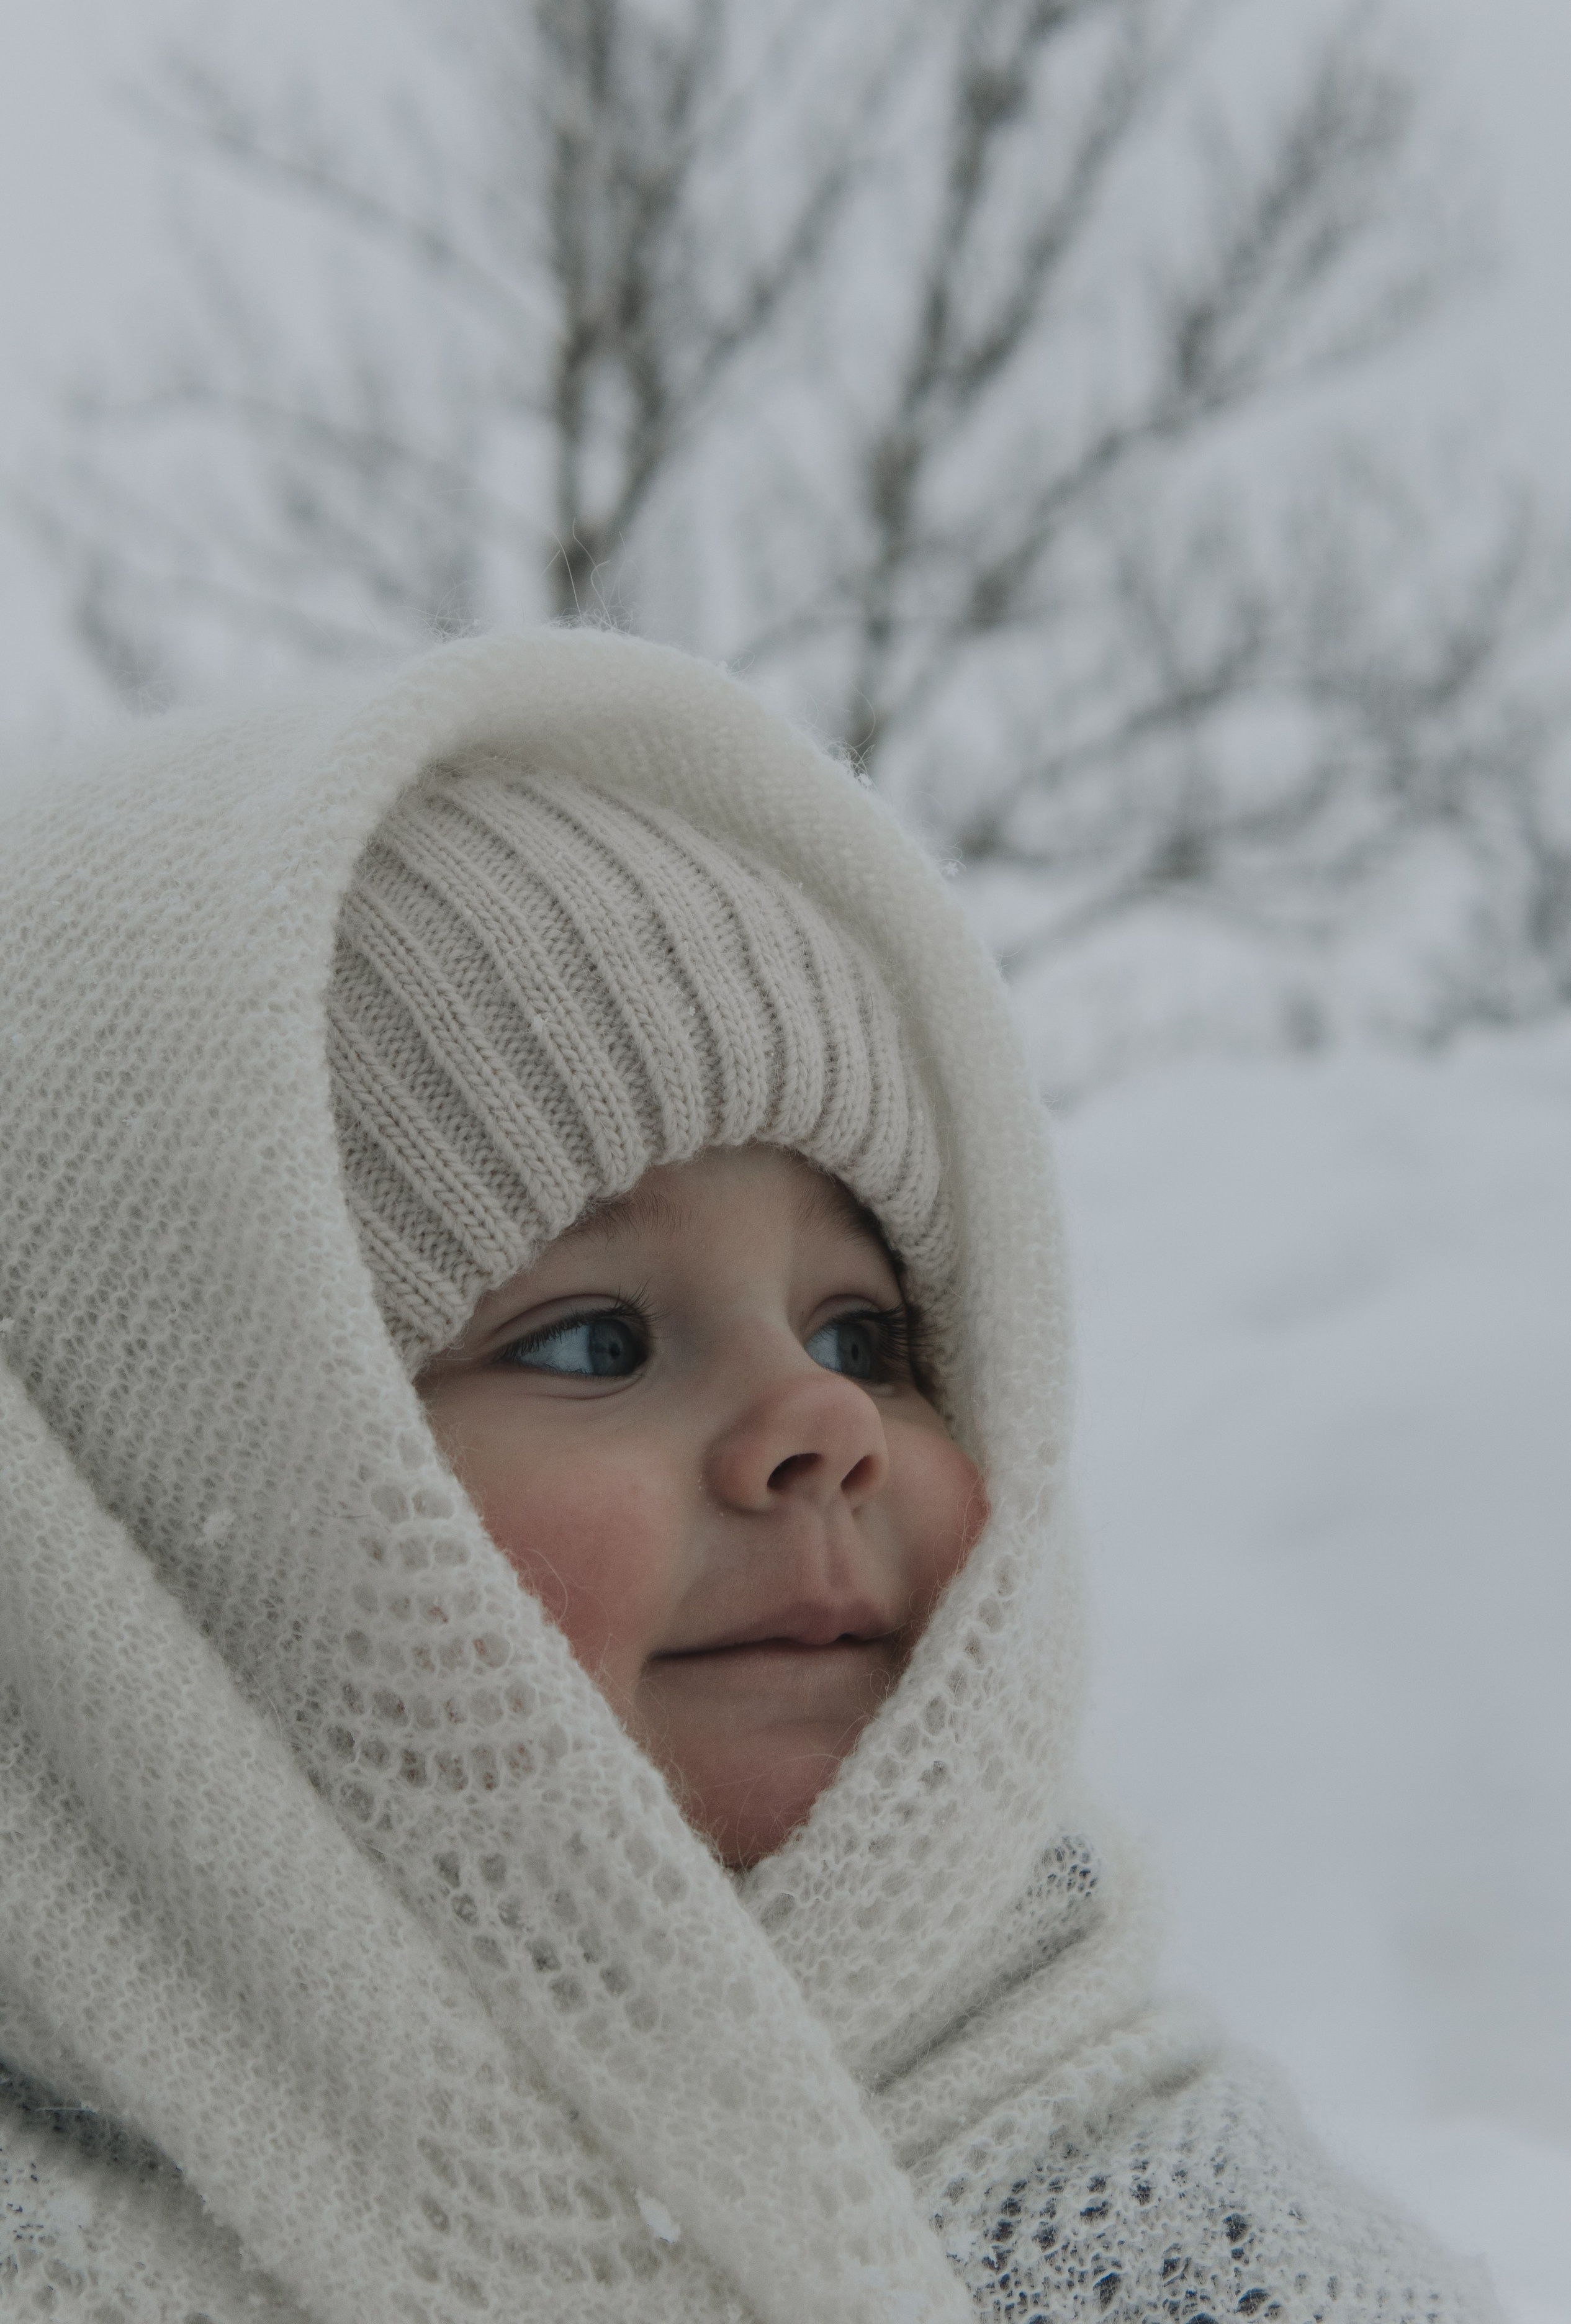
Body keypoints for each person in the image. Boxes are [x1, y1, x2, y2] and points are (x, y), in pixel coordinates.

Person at [0, 629, 1496, 2323]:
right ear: (155, 1524)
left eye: (865, 1337)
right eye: (592, 1343)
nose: (822, 1422)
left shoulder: (1135, 2193)